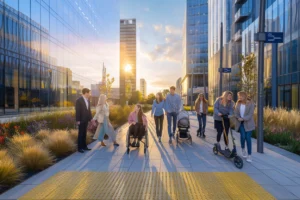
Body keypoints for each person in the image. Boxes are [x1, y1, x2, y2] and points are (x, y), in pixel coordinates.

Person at [234, 91, 255, 163]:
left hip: (249, 123)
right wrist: (238, 117)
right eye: (239, 96)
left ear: (245, 96)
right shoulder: (238, 103)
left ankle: (249, 155)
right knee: (243, 136)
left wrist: (243, 118)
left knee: (248, 138)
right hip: (241, 123)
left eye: (241, 96)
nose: (239, 97)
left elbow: (250, 114)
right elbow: (236, 113)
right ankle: (243, 148)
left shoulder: (251, 103)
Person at [75, 88, 93, 153]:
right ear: (85, 93)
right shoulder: (79, 100)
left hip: (86, 120)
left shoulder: (88, 100)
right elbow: (77, 111)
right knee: (81, 134)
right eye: (88, 93)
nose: (89, 94)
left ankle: (84, 146)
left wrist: (91, 119)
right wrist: (78, 120)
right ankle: (80, 148)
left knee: (84, 133)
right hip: (81, 120)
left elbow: (89, 110)